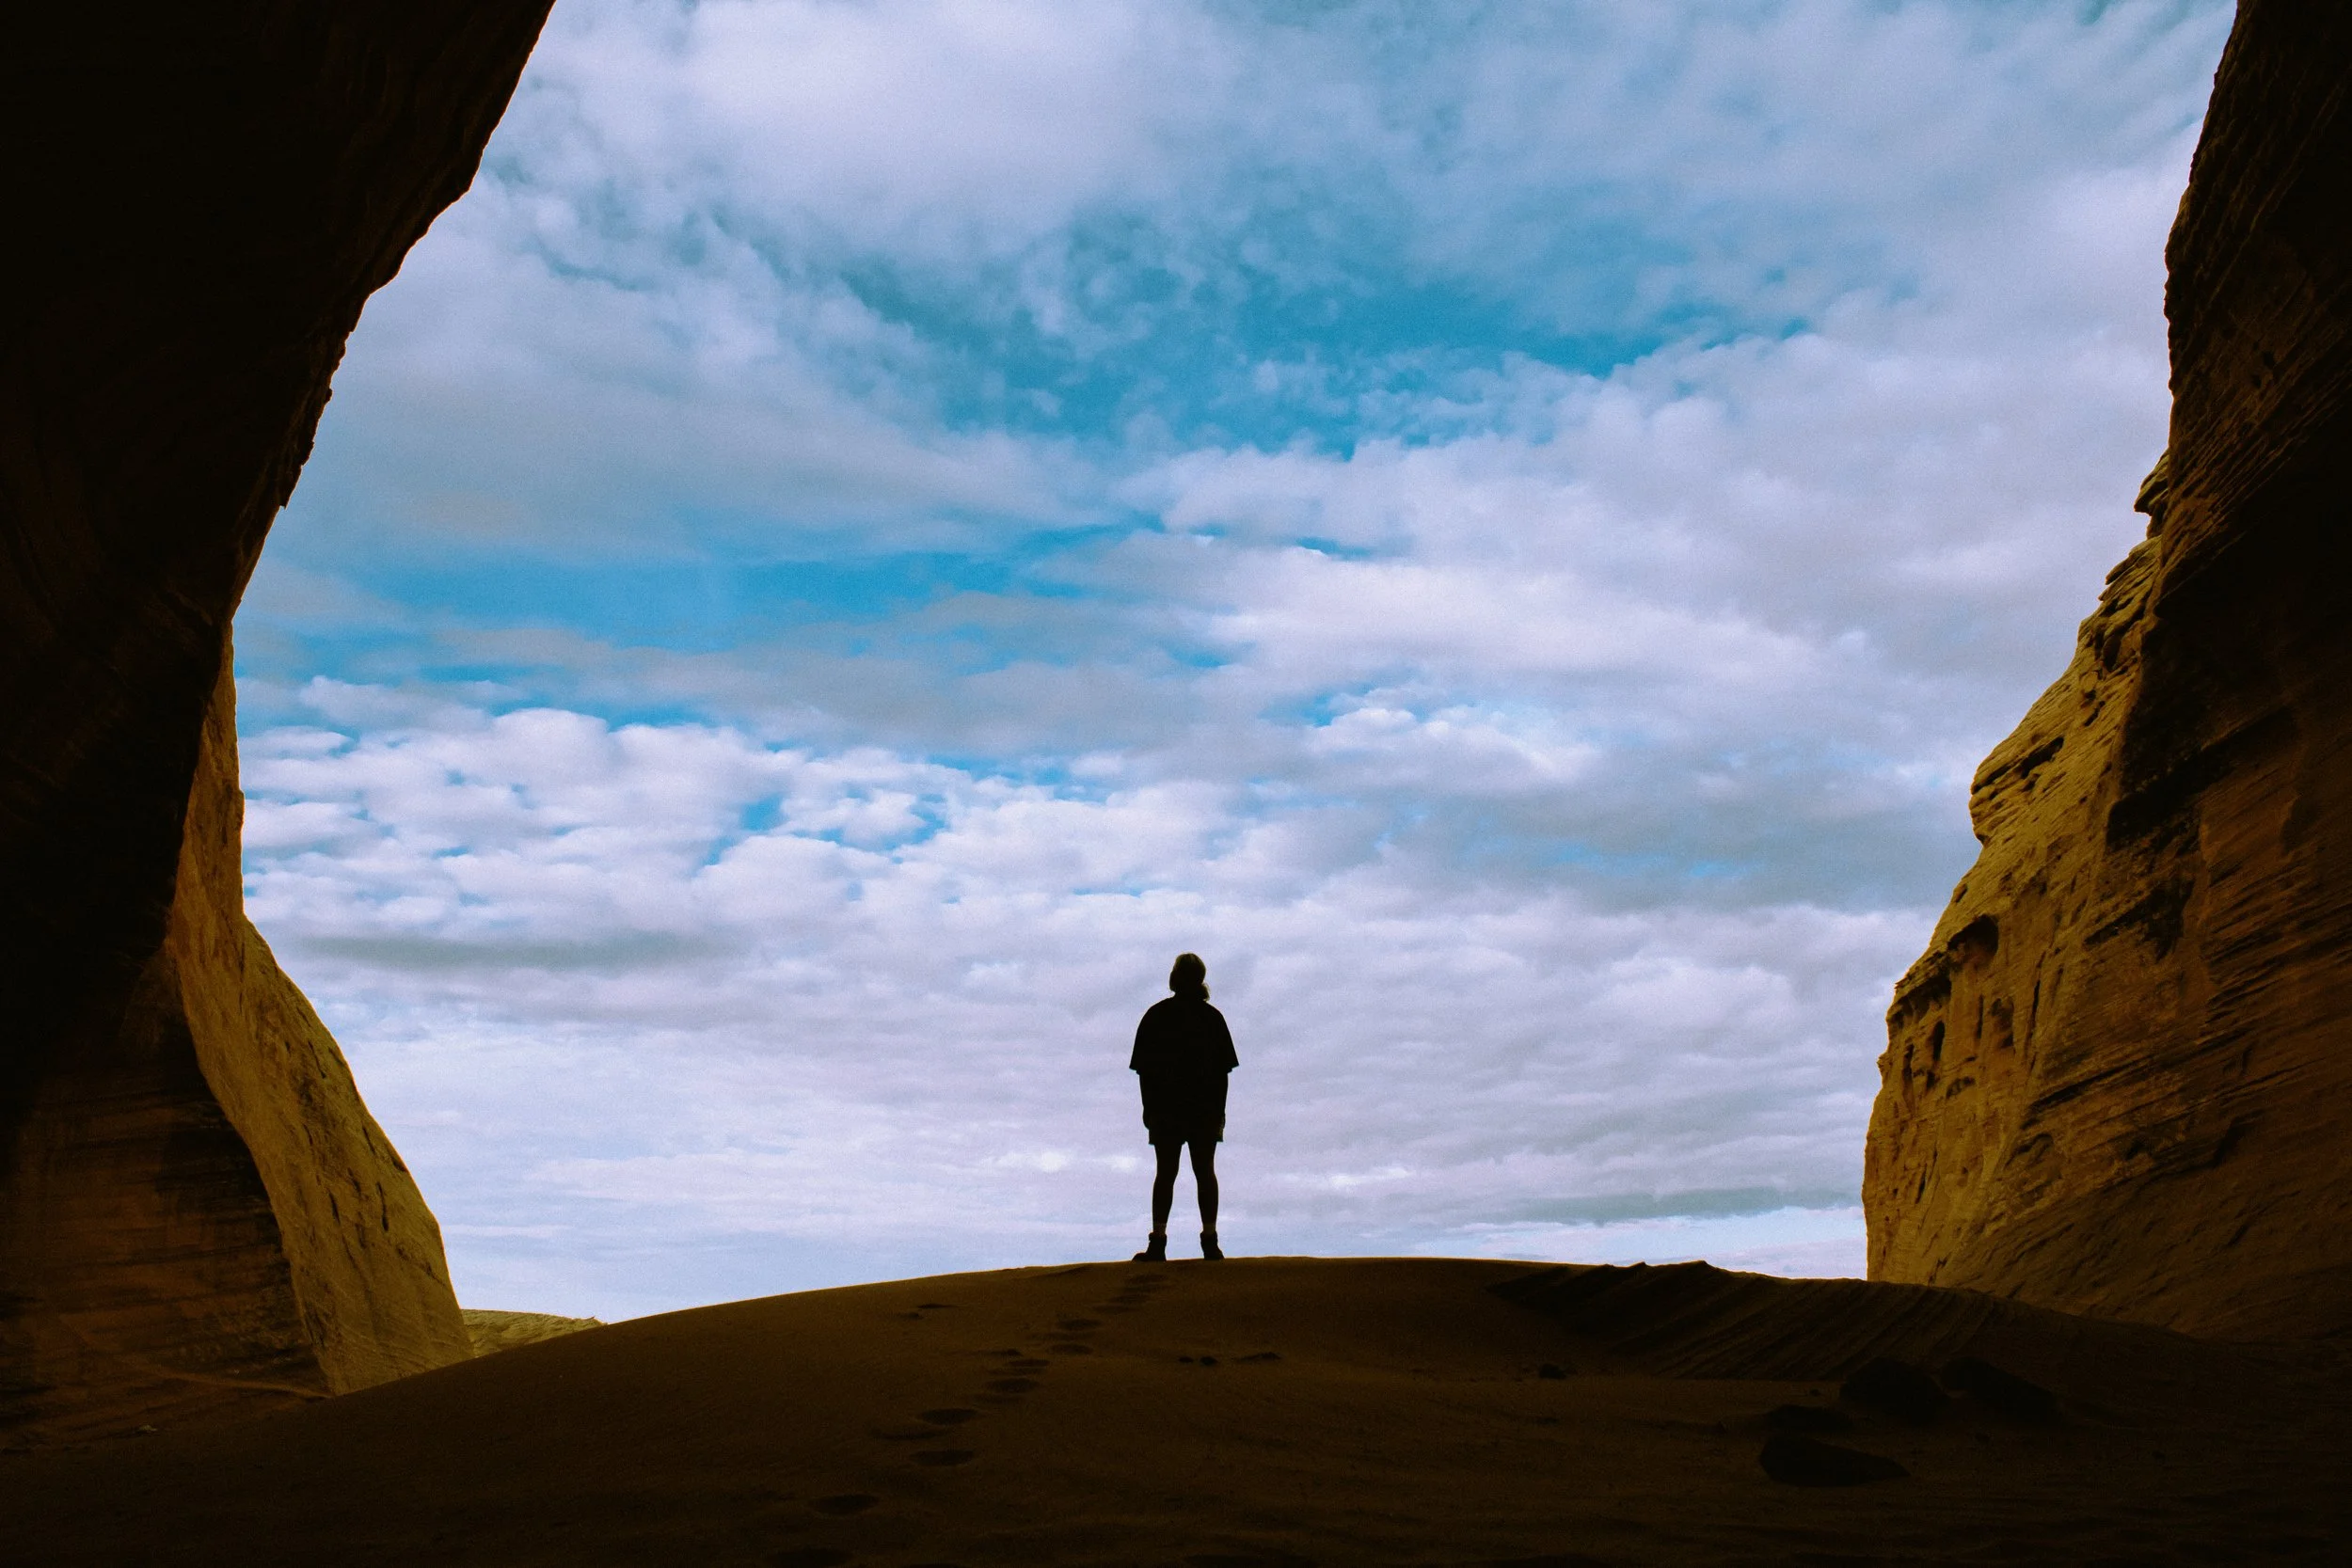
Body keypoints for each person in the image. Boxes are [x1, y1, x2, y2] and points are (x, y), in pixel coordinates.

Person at [1127, 951, 1238, 1262]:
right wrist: (1219, 1111)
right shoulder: (1212, 1019)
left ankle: (1159, 1242)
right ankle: (1210, 1242)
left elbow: (1143, 1072)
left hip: (1166, 1109)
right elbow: (1223, 1074)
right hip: (1203, 1109)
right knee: (1204, 1172)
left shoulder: (1156, 1016)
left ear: (1174, 978)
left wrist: (1148, 1108)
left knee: (1166, 1173)